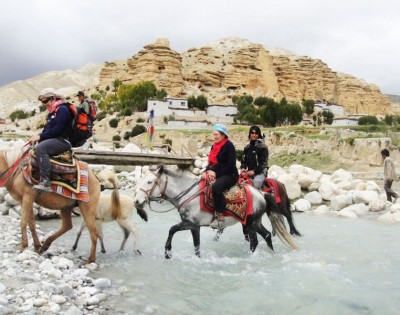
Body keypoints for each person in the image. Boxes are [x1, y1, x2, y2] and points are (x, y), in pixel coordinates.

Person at [28, 92, 73, 192]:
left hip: (63, 141)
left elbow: (57, 130)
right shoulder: (52, 113)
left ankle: (45, 182)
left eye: (46, 101)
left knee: (41, 148)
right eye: (42, 102)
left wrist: (40, 136)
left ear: (53, 99)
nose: (44, 104)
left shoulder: (62, 110)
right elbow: (47, 131)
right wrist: (37, 137)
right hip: (55, 139)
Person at [204, 124, 239, 227]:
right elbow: (211, 163)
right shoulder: (214, 146)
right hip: (218, 173)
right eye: (214, 135)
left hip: (230, 174)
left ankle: (220, 213)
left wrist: (215, 173)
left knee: (215, 187)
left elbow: (231, 165)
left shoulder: (229, 146)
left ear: (223, 135)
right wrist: (206, 172)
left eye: (217, 135)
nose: (214, 137)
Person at [240, 126, 269, 190]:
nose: (254, 135)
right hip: (249, 171)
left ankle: (262, 199)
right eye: (252, 133)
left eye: (256, 133)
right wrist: (243, 167)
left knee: (256, 184)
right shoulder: (247, 147)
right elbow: (243, 160)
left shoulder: (263, 147)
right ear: (250, 134)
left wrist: (254, 171)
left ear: (259, 135)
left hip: (260, 172)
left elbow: (263, 163)